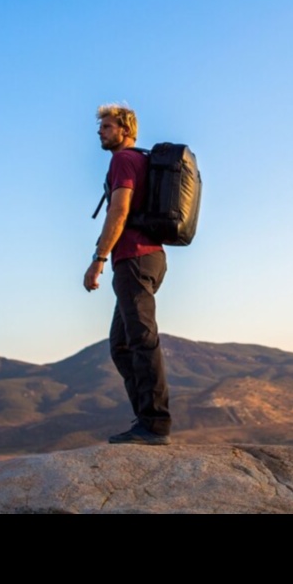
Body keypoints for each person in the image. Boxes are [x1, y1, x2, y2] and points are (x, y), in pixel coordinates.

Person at [84, 104, 172, 445]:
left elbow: (119, 210)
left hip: (134, 258)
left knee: (141, 340)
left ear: (124, 128)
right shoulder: (144, 161)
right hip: (151, 258)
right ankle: (145, 420)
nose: (100, 132)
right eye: (101, 127)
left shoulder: (123, 160)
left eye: (107, 126)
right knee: (121, 344)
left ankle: (155, 425)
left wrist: (98, 258)